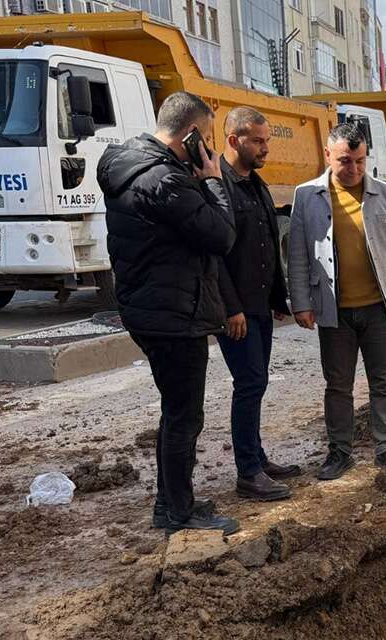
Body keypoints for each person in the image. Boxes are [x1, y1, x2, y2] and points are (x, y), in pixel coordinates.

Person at [97, 92, 238, 535]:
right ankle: (178, 513)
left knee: (175, 412)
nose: (212, 150)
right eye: (209, 140)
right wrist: (213, 180)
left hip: (152, 308)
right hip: (173, 313)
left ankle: (170, 503)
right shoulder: (165, 181)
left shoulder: (133, 167)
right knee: (184, 416)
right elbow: (221, 235)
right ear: (192, 136)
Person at [287, 122, 386, 480]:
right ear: (328, 155)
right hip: (334, 311)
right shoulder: (307, 196)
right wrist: (300, 301)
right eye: (346, 161)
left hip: (379, 307)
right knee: (338, 384)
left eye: (360, 161)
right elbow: (298, 254)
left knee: (383, 380)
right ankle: (339, 451)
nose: (355, 169)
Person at [215, 106, 300, 502]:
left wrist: (276, 297)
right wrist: (231, 308)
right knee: (249, 384)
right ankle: (248, 472)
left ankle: (258, 457)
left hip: (259, 306)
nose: (265, 149)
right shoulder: (217, 187)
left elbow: (267, 245)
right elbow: (214, 256)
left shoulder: (256, 184)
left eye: (267, 141)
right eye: (258, 141)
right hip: (237, 312)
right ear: (234, 140)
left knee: (257, 382)